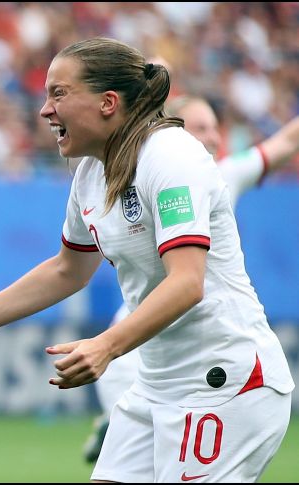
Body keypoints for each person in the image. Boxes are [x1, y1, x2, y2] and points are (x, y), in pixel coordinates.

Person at [0, 37, 294, 482]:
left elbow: (187, 282)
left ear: (108, 102)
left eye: (59, 94)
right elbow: (68, 269)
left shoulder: (172, 156)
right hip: (157, 385)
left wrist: (106, 346)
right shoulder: (90, 171)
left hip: (227, 384)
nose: (45, 110)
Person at [83, 96, 299, 464]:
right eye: (200, 128)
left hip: (211, 351)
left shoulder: (224, 173)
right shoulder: (132, 172)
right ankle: (116, 421)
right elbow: (66, 269)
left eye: (216, 128)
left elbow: (287, 142)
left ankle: (115, 424)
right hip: (141, 347)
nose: (213, 138)